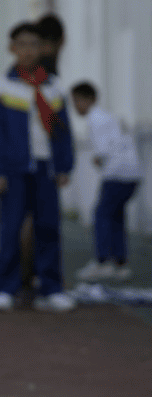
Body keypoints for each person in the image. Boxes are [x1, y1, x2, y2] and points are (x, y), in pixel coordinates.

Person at [0, 22, 74, 313]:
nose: (28, 50)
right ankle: (4, 289)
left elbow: (63, 130)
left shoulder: (53, 85)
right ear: (12, 49)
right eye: (22, 44)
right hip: (14, 168)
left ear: (41, 49)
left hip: (45, 166)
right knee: (10, 228)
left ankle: (51, 288)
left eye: (34, 44)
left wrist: (64, 165)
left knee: (48, 227)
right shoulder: (4, 86)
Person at [71, 81, 142, 282]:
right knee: (116, 216)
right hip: (132, 173)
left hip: (116, 173)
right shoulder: (108, 116)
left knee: (101, 214)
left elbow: (102, 151)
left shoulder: (95, 119)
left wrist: (96, 159)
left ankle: (103, 261)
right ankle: (120, 263)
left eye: (77, 101)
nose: (76, 107)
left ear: (89, 100)